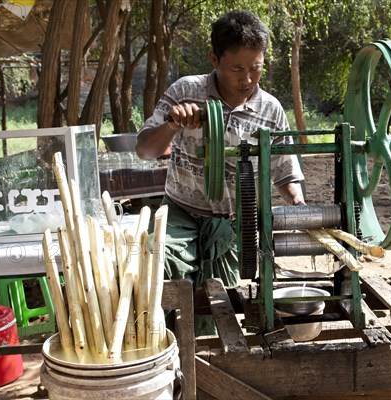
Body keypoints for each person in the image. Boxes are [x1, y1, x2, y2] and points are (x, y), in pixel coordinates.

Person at [136, 10, 305, 333]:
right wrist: (172, 124)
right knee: (155, 263)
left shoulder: (270, 110)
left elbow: (285, 172)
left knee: (226, 303)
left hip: (233, 224)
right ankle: (163, 353)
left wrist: (300, 206)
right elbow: (145, 150)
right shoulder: (185, 92)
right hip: (180, 216)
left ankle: (211, 368)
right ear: (215, 59)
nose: (247, 79)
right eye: (237, 69)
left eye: (256, 68)